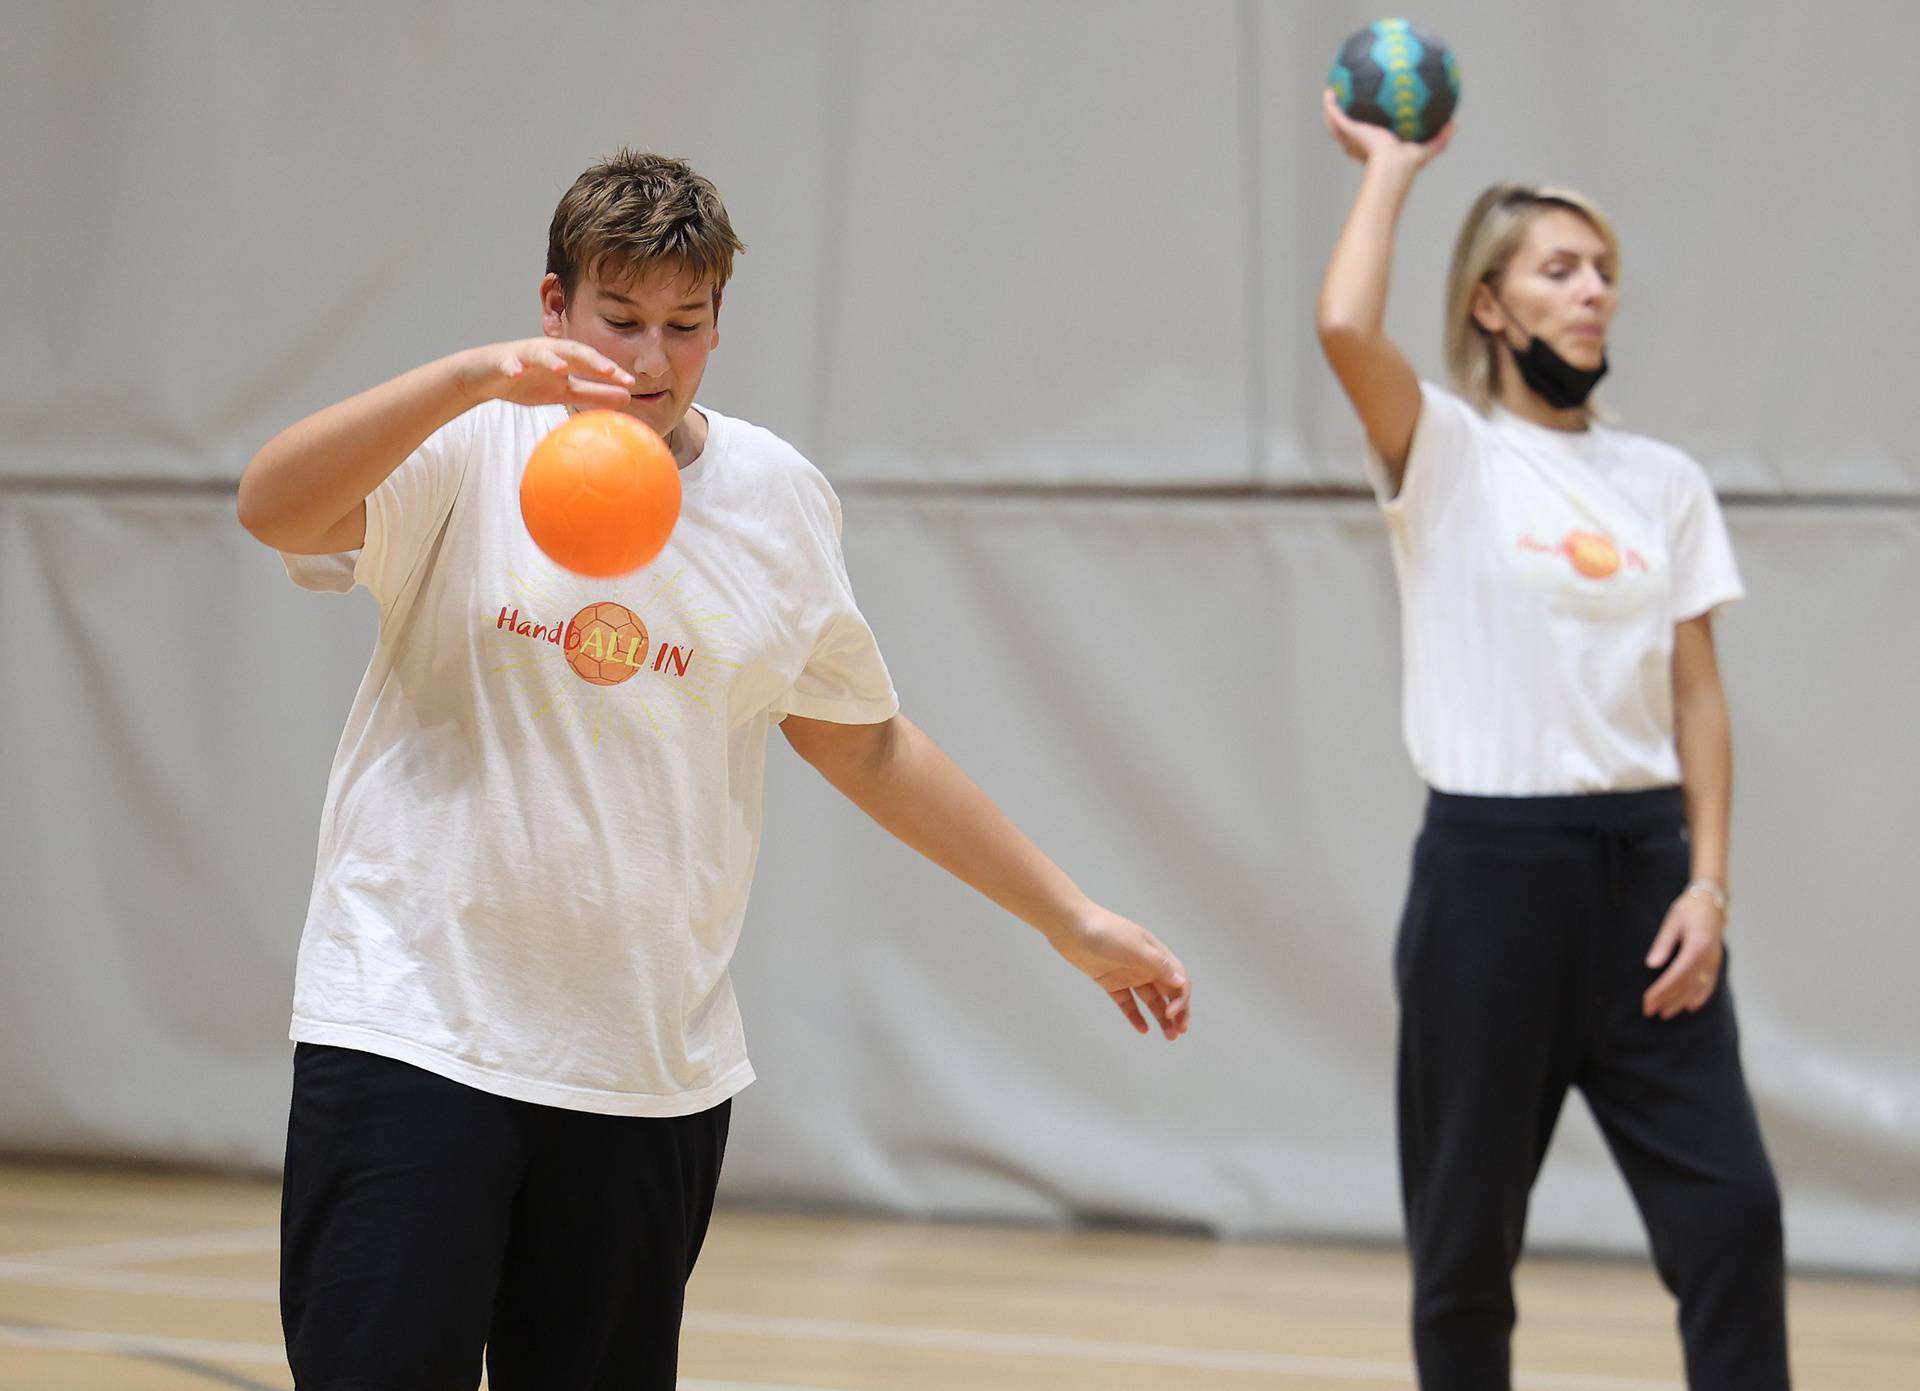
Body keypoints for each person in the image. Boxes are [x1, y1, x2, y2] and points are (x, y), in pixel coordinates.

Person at [237, 148, 1191, 1391]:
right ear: (553, 306)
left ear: (718, 328)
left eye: (685, 326)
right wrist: (471, 379)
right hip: (416, 1029)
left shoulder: (775, 496)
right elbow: (274, 507)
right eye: (618, 318)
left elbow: (864, 737)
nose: (648, 358)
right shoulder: (470, 448)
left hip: (644, 1067)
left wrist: (1072, 916)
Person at [1314, 93, 1789, 1390]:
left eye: (1605, 273)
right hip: (1490, 880)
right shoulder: (1449, 454)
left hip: (1646, 876)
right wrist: (1392, 171)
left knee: (1735, 1216)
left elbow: (1699, 698)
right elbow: (1345, 325)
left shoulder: (1664, 482)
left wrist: (1709, 880)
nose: (1593, 293)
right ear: (1489, 302)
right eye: (1560, 269)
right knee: (1467, 1252)